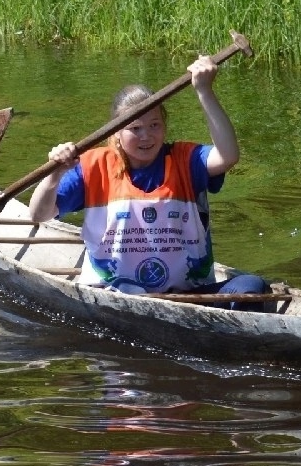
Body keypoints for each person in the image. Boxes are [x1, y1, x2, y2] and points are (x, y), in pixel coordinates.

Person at [27, 54, 273, 308]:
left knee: (253, 287)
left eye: (155, 125)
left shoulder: (185, 160)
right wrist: (54, 173)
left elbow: (228, 155)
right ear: (117, 133)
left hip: (188, 298)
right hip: (111, 296)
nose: (147, 136)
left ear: (164, 125)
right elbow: (38, 214)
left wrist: (204, 91)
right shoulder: (93, 165)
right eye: (135, 129)